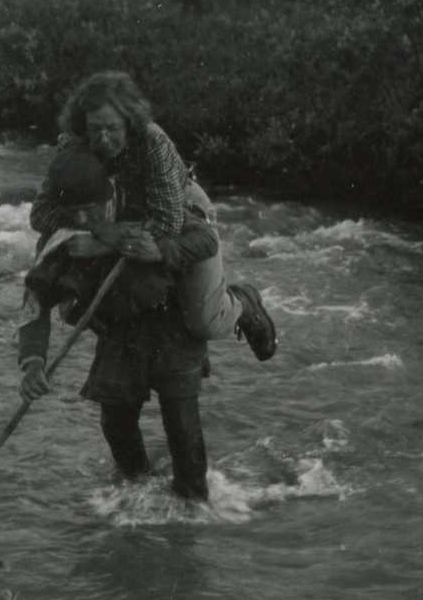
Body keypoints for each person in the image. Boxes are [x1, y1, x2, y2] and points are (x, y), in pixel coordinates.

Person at [29, 71, 277, 361]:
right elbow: (40, 216)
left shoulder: (151, 140)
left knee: (204, 321)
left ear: (129, 121)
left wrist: (104, 242)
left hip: (182, 207)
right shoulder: (72, 143)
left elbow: (167, 223)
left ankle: (245, 303)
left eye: (112, 128)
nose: (104, 139)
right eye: (95, 129)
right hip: (110, 210)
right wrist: (99, 226)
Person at [19, 149, 216, 500]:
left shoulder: (147, 206)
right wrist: (33, 361)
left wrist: (157, 250)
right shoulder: (59, 235)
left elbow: (205, 240)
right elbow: (36, 300)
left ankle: (193, 512)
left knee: (182, 428)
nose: (83, 218)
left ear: (109, 190)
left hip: (169, 322)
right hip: (117, 330)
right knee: (117, 425)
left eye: (90, 208)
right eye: (73, 212)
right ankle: (139, 497)